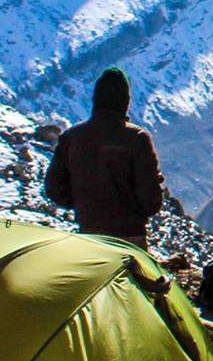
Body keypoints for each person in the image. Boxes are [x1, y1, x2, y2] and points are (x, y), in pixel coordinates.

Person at [46, 67, 166, 249]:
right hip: (130, 238)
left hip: (89, 236)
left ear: (95, 100)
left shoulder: (72, 137)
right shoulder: (136, 138)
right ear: (125, 102)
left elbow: (54, 188)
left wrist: (83, 205)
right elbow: (150, 200)